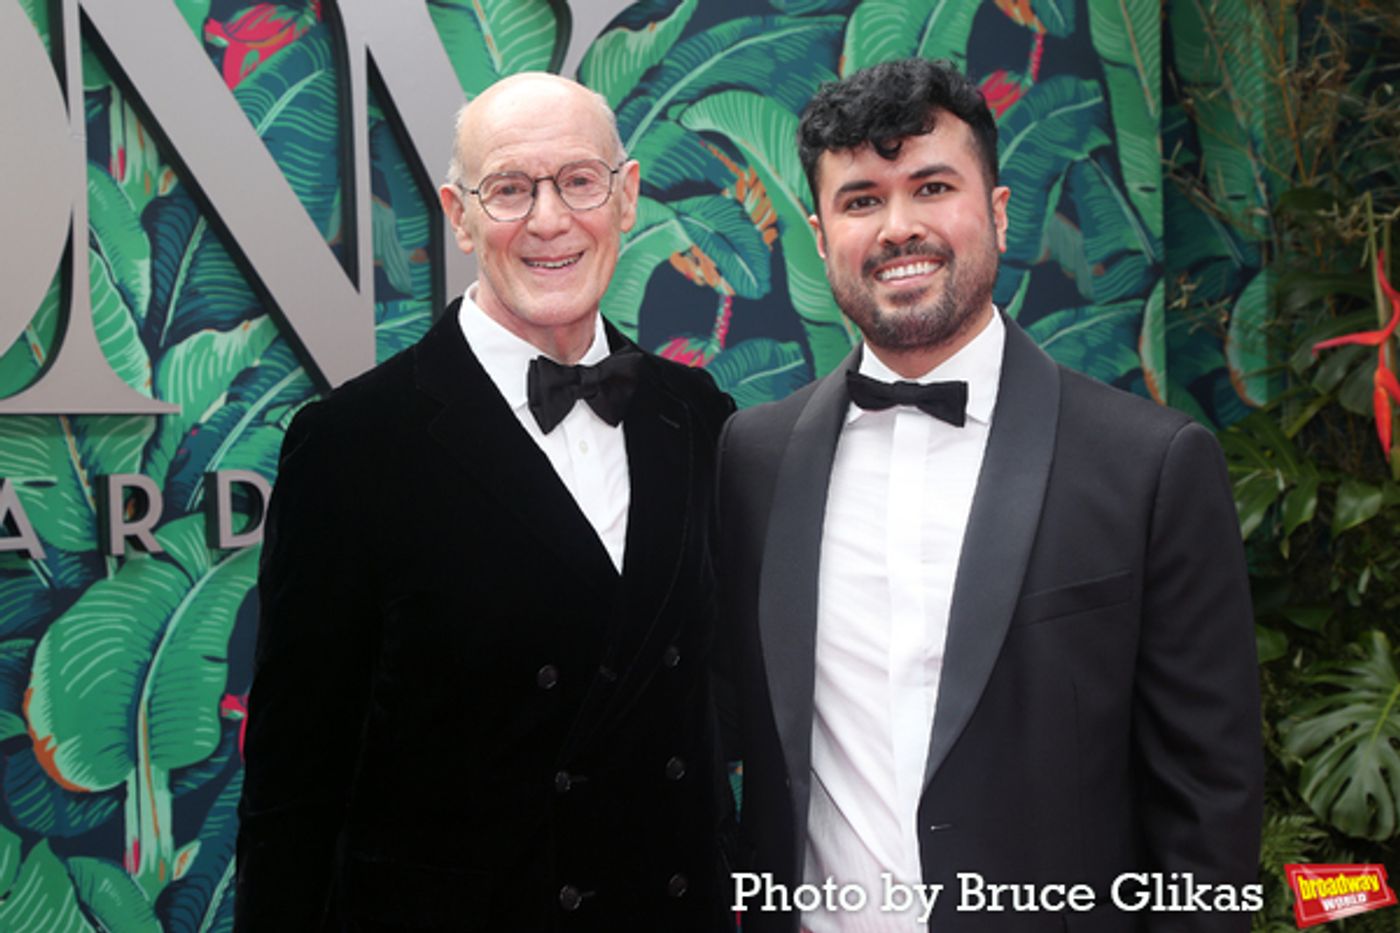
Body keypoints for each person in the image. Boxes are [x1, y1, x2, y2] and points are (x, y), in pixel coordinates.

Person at [717, 58, 1262, 932]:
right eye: (861, 200)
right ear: (820, 238)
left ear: (1000, 212)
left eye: (932, 187)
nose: (899, 226)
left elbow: (1209, 801)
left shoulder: (1152, 465)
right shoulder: (753, 459)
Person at [236, 72, 735, 932]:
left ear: (626, 196)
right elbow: (295, 782)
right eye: (509, 189)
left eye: (578, 181)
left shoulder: (697, 415)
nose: (548, 220)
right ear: (459, 216)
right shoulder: (351, 444)